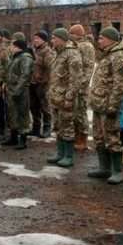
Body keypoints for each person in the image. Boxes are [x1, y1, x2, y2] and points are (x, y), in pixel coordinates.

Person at [88, 27, 123, 184]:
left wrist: (113, 106)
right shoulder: (106, 54)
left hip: (109, 106)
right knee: (99, 137)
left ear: (111, 39)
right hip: (99, 105)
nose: (98, 40)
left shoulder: (119, 56)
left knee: (112, 138)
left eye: (102, 38)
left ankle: (117, 171)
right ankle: (104, 168)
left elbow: (122, 84)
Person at [46, 28, 84, 168]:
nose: (52, 40)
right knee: (58, 126)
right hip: (56, 97)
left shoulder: (72, 53)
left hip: (66, 99)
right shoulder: (58, 53)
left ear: (62, 39)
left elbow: (76, 79)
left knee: (67, 126)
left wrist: (69, 97)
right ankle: (60, 153)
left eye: (54, 38)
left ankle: (68, 156)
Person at [2, 38, 35, 149]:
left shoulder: (25, 58)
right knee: (12, 113)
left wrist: (17, 90)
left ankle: (23, 140)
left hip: (20, 91)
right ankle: (13, 137)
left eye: (12, 46)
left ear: (18, 47)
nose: (11, 48)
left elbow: (25, 75)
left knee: (22, 114)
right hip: (11, 90)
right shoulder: (15, 57)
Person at [69, 24, 96, 152]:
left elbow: (88, 68)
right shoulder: (74, 45)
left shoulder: (86, 46)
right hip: (74, 85)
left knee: (80, 113)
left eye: (72, 33)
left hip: (81, 87)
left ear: (77, 34)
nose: (70, 36)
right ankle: (76, 138)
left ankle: (82, 140)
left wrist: (81, 85)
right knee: (74, 113)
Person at [29, 30, 55, 138]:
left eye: (38, 39)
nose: (35, 40)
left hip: (43, 84)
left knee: (45, 107)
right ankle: (35, 128)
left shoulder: (47, 52)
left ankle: (47, 128)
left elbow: (51, 68)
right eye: (34, 38)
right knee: (33, 107)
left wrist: (45, 81)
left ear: (44, 40)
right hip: (32, 83)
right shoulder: (34, 51)